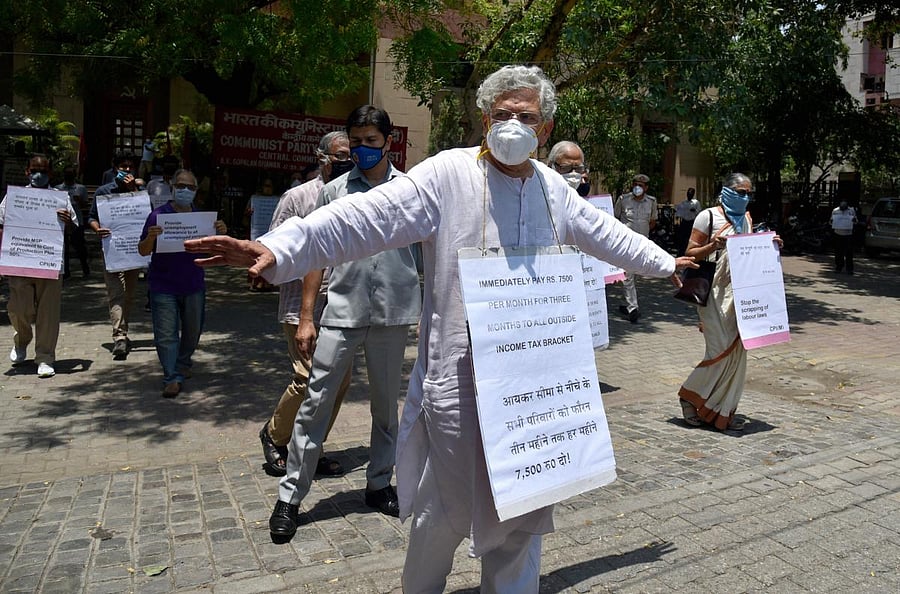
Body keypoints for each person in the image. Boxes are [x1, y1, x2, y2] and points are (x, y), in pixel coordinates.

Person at [185, 65, 695, 593]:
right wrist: (279, 249)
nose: (514, 125)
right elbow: (364, 218)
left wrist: (668, 263)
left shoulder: (552, 190)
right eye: (504, 115)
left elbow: (606, 234)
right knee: (443, 512)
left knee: (525, 509)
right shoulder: (449, 173)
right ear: (484, 119)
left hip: (533, 387)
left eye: (527, 117)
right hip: (460, 383)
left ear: (543, 131)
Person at [282, 105, 421, 519]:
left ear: (388, 142)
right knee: (315, 403)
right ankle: (290, 497)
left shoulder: (411, 190)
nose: (362, 149)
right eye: (355, 142)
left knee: (385, 408)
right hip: (341, 312)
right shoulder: (333, 191)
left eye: (370, 142)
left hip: (393, 315)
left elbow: (427, 253)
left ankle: (379, 484)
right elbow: (314, 255)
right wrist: (307, 317)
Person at [258, 130, 356, 477]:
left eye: (351, 153)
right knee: (308, 377)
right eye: (341, 154)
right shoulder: (297, 197)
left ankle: (310, 448)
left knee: (339, 380)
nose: (348, 160)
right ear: (322, 157)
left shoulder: (356, 196)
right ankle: (274, 435)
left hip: (344, 303)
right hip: (301, 306)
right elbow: (274, 247)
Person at [677, 173, 781, 431]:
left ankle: (722, 411)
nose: (745, 197)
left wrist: (771, 245)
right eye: (740, 191)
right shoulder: (708, 216)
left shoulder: (746, 218)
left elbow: (749, 251)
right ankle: (689, 395)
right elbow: (690, 253)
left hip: (740, 294)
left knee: (737, 351)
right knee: (719, 351)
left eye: (748, 193)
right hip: (713, 292)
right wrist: (713, 245)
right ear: (726, 190)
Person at [137, 169, 227, 397]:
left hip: (193, 283)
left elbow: (215, 250)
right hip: (163, 285)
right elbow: (142, 250)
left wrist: (222, 233)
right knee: (166, 333)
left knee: (192, 331)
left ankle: (183, 363)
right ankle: (171, 377)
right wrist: (151, 237)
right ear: (172, 187)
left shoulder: (202, 220)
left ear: (196, 191)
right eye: (181, 186)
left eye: (190, 187)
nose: (185, 190)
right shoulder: (158, 216)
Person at [1, 156, 78, 378]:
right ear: (27, 171)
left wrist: (67, 221)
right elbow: (1, 223)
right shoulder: (15, 197)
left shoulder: (60, 199)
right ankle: (22, 340)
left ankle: (45, 358)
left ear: (51, 174)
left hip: (50, 263)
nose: (38, 174)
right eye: (34, 170)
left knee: (48, 313)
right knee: (18, 308)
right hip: (19, 261)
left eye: (43, 171)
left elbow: (74, 228)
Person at [90, 152, 145, 360]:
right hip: (111, 249)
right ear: (115, 168)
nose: (127, 170)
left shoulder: (139, 191)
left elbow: (146, 215)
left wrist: (133, 190)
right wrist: (97, 229)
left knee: (129, 294)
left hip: (132, 250)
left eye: (131, 167)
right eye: (123, 166)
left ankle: (123, 329)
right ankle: (119, 337)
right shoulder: (104, 191)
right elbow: (92, 218)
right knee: (116, 293)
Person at [614, 173, 658, 323]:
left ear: (646, 188)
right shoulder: (623, 200)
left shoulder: (651, 202)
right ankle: (633, 308)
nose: (637, 187)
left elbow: (652, 221)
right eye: (635, 184)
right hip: (626, 244)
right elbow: (615, 218)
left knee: (634, 275)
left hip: (643, 245)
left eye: (641, 185)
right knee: (628, 275)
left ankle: (626, 303)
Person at [55, 166, 91, 279]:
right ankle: (65, 272)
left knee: (80, 247)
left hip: (77, 222)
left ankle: (85, 268)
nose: (69, 177)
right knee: (63, 248)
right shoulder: (57, 189)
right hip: (61, 223)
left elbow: (86, 205)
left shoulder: (81, 188)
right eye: (67, 175)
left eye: (71, 175)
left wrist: (79, 201)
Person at [830, 200, 857, 275]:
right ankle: (839, 267)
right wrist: (832, 221)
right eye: (842, 205)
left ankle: (849, 269)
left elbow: (855, 221)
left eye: (844, 205)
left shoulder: (851, 211)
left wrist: (854, 220)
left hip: (848, 234)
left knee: (849, 252)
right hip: (838, 233)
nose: (843, 207)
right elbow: (830, 221)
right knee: (838, 252)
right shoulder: (835, 210)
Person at [674, 187, 700, 257]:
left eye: (691, 194)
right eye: (688, 193)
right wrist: (677, 218)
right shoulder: (683, 203)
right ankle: (681, 252)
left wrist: (694, 210)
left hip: (692, 222)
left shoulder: (696, 202)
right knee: (682, 238)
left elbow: (699, 212)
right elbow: (679, 212)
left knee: (690, 238)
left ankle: (689, 252)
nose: (689, 195)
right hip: (684, 222)